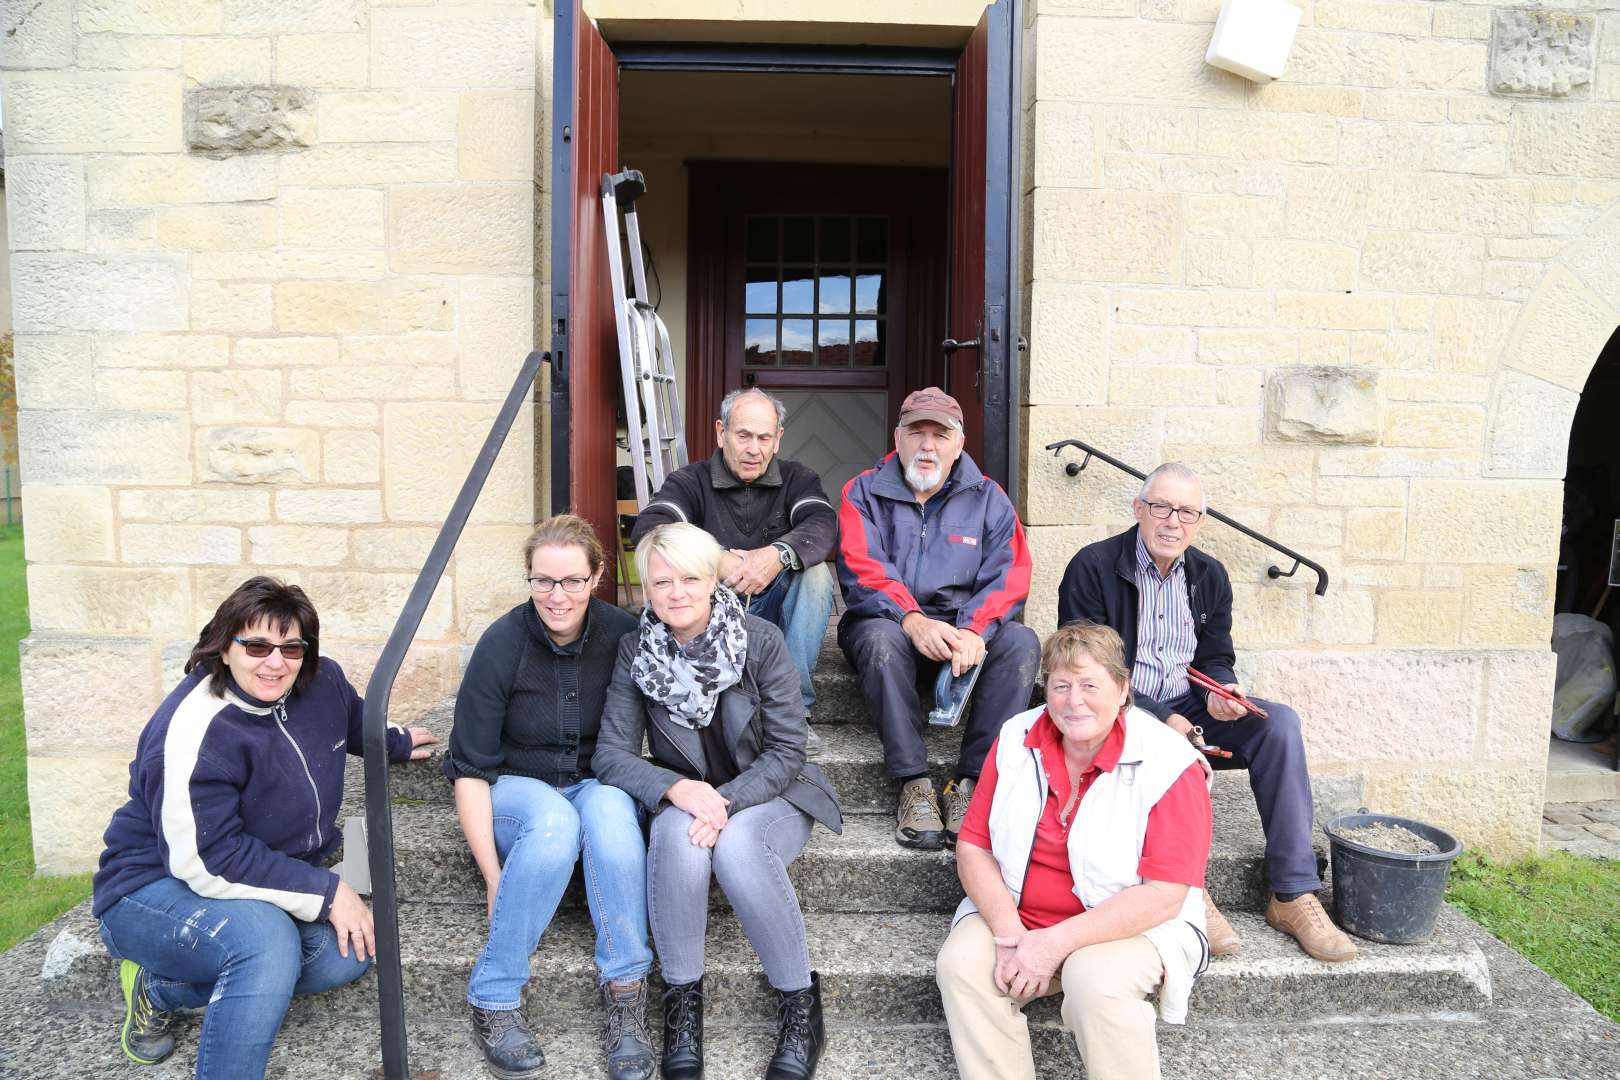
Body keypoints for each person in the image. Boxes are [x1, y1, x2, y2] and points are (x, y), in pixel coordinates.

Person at [91, 577, 436, 1080]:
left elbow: (351, 719)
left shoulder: (321, 681)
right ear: (223, 647)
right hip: (153, 885)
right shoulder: (193, 731)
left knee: (346, 954)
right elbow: (204, 862)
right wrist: (327, 890)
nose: (276, 662)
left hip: (255, 874)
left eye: (291, 647)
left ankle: (159, 988)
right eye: (256, 645)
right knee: (266, 943)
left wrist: (395, 741)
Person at [1056, 462, 1356, 963]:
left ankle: (1293, 893)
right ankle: (1190, 891)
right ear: (1139, 510)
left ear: (1199, 521)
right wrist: (1164, 719)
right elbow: (1085, 667)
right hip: (1116, 707)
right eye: (1162, 507)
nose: (1173, 521)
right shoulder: (1093, 565)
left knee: (1277, 724)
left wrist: (1225, 689)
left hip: (1188, 698)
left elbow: (1216, 653)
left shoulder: (1209, 575)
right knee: (1173, 744)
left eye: (1187, 512)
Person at [593, 523, 843, 1080]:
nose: (676, 592)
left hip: (770, 793)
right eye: (661, 582)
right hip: (687, 801)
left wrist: (722, 803)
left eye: (689, 578)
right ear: (645, 591)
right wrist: (677, 788)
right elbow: (610, 754)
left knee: (735, 850)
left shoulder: (760, 641)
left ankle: (799, 1004)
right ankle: (682, 1006)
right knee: (678, 838)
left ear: (712, 580)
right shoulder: (637, 651)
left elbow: (786, 753)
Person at [935, 622, 1213, 1080]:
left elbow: (1164, 893)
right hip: (1021, 916)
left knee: (1095, 981)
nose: (1073, 700)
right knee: (964, 965)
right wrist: (1008, 933)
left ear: (1123, 690)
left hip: (1130, 928)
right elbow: (974, 845)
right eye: (1061, 685)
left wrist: (1054, 944)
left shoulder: (1169, 760)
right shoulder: (1016, 737)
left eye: (1090, 685)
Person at [443, 515, 653, 1080]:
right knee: (556, 820)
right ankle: (494, 994)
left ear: (597, 576)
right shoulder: (502, 643)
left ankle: (627, 992)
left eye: (571, 582)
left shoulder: (621, 634)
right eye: (543, 582)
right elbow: (469, 770)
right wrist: (494, 876)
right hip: (515, 789)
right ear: (530, 579)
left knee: (611, 810)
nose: (556, 597)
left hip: (593, 782)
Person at [836, 386, 1039, 849]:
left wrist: (974, 628)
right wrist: (910, 617)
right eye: (916, 432)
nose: (927, 445)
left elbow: (1011, 574)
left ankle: (970, 785)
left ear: (958, 444)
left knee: (1022, 643)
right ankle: (913, 784)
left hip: (962, 626)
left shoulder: (989, 498)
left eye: (940, 435)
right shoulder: (862, 490)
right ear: (898, 437)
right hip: (887, 620)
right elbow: (861, 567)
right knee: (880, 642)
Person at [631, 388, 838, 739]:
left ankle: (793, 709)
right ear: (720, 432)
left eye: (763, 437)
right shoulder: (689, 481)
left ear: (778, 440)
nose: (753, 449)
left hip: (776, 609)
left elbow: (822, 523)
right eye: (743, 435)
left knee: (817, 575)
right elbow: (651, 526)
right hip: (710, 617)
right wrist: (717, 559)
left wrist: (776, 555)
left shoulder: (797, 478)